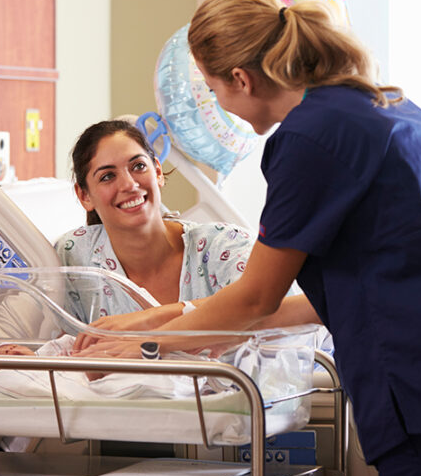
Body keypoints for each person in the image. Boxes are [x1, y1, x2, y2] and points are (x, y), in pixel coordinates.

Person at [76, 0, 421, 476]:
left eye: (215, 92)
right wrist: (159, 320)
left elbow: (256, 297)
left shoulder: (308, 139)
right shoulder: (387, 105)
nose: (221, 106)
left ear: (240, 79)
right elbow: (317, 302)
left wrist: (146, 346)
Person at [55, 119, 318, 329]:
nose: (129, 185)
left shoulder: (223, 248)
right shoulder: (75, 257)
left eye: (138, 166)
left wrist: (157, 319)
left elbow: (281, 313)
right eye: (108, 176)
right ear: (84, 196)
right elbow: (64, 348)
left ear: (158, 172)